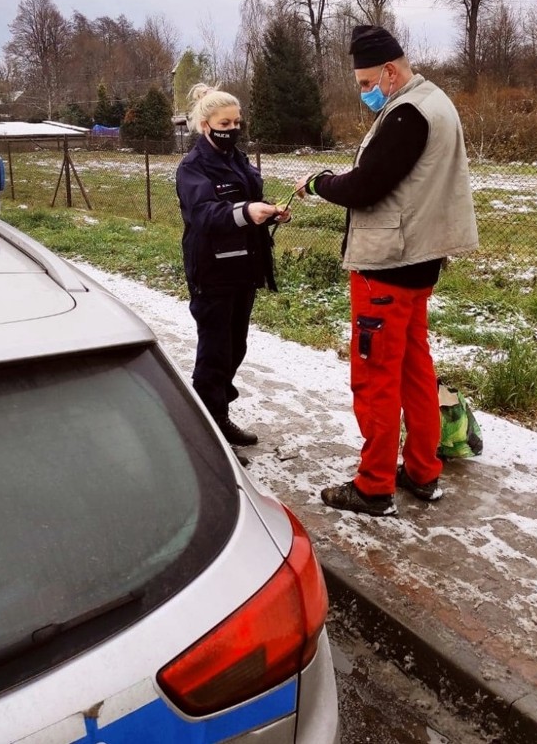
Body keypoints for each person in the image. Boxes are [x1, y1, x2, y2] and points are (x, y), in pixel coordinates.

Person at [296, 25, 478, 517]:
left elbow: (366, 187)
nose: (364, 92)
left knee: (375, 377)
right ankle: (422, 471)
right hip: (418, 264)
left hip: (387, 267)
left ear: (390, 71)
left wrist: (319, 183)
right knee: (415, 372)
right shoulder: (434, 101)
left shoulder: (406, 114)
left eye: (365, 83)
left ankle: (374, 485)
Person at [176, 84, 284, 448]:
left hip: (244, 268)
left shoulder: (238, 159)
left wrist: (268, 212)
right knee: (215, 350)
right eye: (226, 122)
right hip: (212, 270)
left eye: (238, 121)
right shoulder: (193, 166)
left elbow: (248, 202)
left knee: (236, 346)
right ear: (205, 125)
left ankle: (218, 415)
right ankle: (207, 430)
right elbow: (204, 213)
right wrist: (246, 212)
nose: (234, 128)